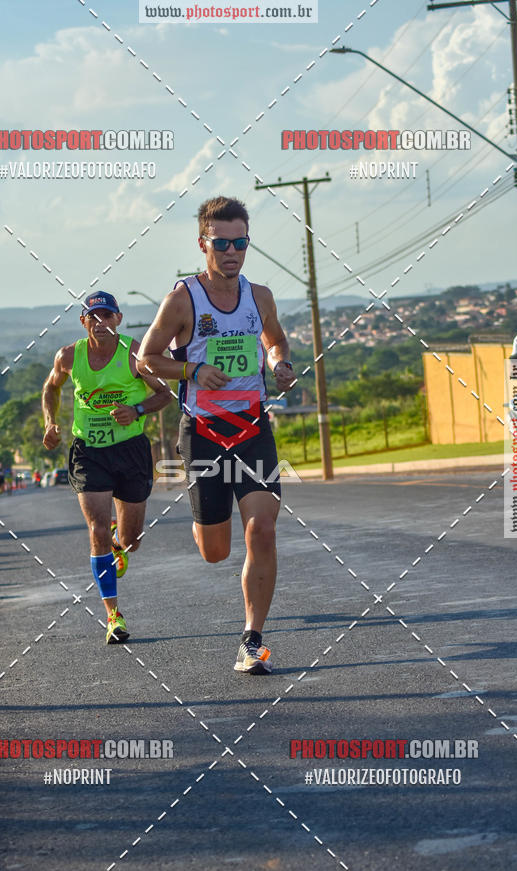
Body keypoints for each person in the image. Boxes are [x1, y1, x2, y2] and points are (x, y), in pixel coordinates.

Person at [137, 196, 295, 675]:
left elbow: (275, 340)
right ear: (203, 243)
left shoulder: (259, 295)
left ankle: (252, 640)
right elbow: (146, 357)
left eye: (240, 242)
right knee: (215, 551)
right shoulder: (183, 298)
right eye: (222, 243)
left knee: (261, 529)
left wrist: (279, 364)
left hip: (251, 429)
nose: (232, 252)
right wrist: (191, 369)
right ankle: (205, 520)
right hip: (203, 432)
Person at [42, 290, 171, 644]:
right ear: (83, 322)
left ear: (118, 319)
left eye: (106, 317)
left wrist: (138, 411)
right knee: (96, 528)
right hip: (89, 451)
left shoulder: (134, 353)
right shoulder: (69, 356)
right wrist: (50, 422)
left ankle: (119, 542)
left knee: (131, 541)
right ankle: (113, 615)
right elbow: (50, 389)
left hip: (130, 450)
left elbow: (164, 394)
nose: (100, 324)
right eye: (93, 317)